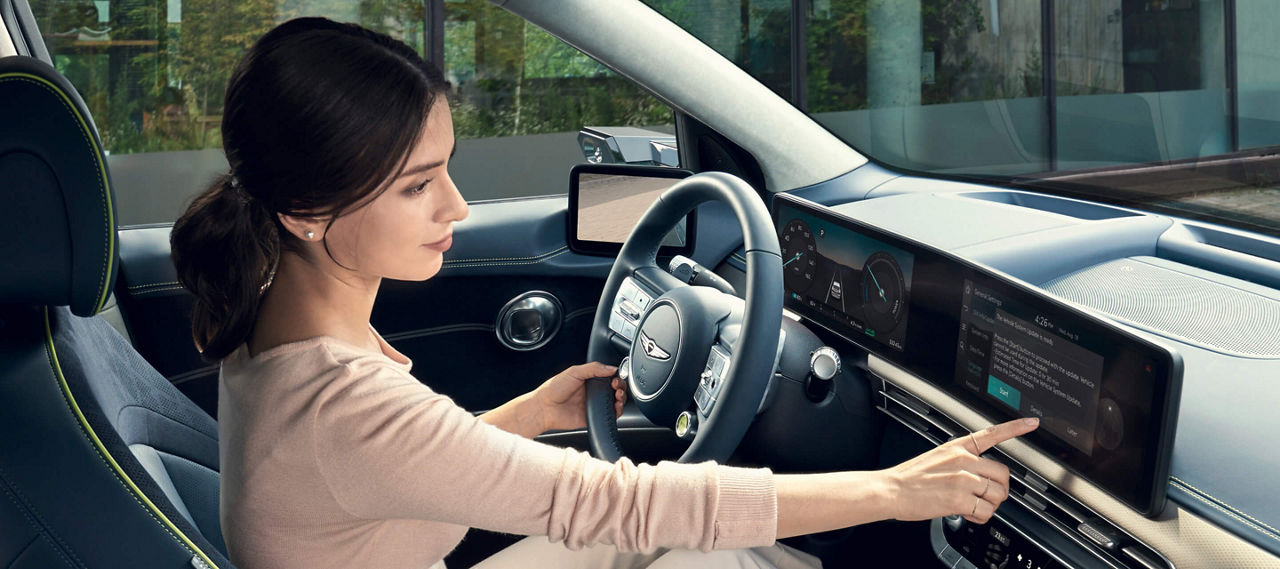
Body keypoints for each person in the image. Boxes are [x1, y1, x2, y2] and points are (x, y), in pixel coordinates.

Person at [169, 17, 1038, 569]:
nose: (457, 208)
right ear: (307, 211)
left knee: (720, 543)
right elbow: (615, 500)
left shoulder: (267, 317)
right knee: (720, 554)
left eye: (448, 171)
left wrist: (526, 415)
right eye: (416, 184)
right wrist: (892, 489)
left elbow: (381, 471)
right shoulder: (342, 401)